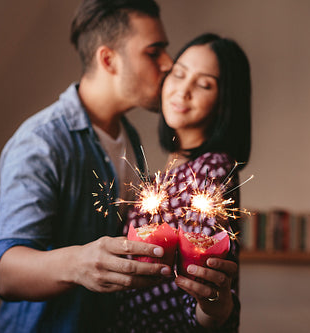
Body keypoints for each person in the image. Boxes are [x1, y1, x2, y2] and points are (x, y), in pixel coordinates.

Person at [0, 0, 173, 331]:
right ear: (108, 59)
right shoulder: (41, 141)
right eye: (153, 52)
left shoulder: (130, 136)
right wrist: (79, 263)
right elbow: (6, 273)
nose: (169, 64)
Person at [112, 33, 251, 332]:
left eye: (203, 84)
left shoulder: (209, 171)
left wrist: (213, 306)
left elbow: (201, 287)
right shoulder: (167, 171)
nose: (182, 90)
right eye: (179, 73)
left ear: (224, 101)